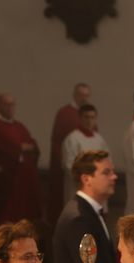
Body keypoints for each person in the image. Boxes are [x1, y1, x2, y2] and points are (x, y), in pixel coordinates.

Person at [0, 93, 42, 225]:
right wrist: (19, 148)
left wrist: (24, 147)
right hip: (8, 180)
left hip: (25, 178)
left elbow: (32, 145)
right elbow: (2, 148)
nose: (10, 108)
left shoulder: (19, 126)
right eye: (6, 104)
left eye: (12, 104)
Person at [49, 82, 91, 223]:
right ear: (74, 95)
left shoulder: (88, 115)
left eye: (86, 95)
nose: (84, 99)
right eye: (81, 95)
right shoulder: (64, 113)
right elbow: (57, 142)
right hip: (71, 169)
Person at [60, 104, 109, 205]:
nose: (89, 121)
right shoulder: (72, 139)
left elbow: (107, 160)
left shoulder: (99, 139)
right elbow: (69, 165)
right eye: (86, 117)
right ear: (80, 118)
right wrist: (86, 179)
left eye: (92, 117)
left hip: (97, 186)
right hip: (79, 186)